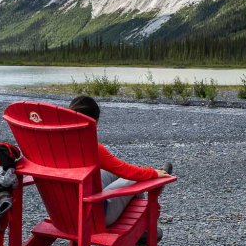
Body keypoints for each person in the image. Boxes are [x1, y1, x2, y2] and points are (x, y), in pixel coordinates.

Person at [67, 96, 172, 227]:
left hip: (63, 214)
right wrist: (153, 173)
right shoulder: (93, 149)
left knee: (109, 171)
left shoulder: (52, 147)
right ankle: (143, 227)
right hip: (96, 218)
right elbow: (127, 172)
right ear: (93, 123)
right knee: (134, 179)